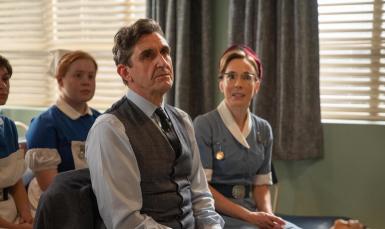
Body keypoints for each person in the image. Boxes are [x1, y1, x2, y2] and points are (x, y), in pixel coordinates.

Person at [85, 18, 224, 229]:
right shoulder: (110, 128)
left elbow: (201, 197)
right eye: (148, 55)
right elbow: (125, 221)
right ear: (125, 72)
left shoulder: (182, 120)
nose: (162, 62)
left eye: (165, 52)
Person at [193, 45, 300, 229]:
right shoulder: (204, 125)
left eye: (247, 77)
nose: (238, 84)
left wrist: (269, 217)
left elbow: (261, 187)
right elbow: (203, 190)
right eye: (231, 76)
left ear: (256, 85)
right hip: (215, 215)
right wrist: (250, 217)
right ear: (221, 84)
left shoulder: (264, 129)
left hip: (251, 213)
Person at [25, 50, 101, 214]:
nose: (86, 82)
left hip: (97, 202)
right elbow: (51, 189)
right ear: (60, 81)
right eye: (78, 75)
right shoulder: (44, 124)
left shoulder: (101, 121)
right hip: (60, 208)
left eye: (91, 76)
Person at [0, 55, 33, 229]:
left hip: (10, 212)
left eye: (5, 79)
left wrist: (26, 216)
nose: (2, 85)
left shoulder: (9, 127)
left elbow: (16, 180)